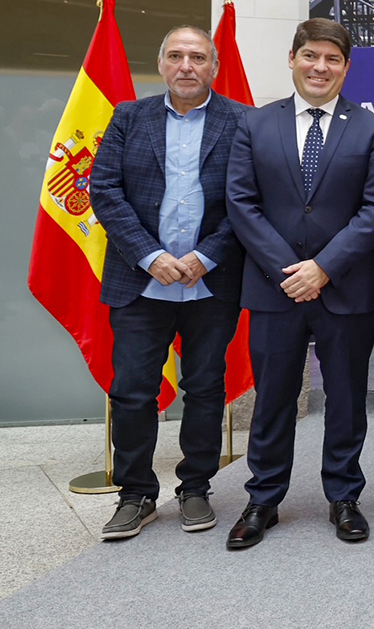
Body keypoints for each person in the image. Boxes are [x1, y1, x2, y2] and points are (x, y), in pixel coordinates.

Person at [223, 18, 374, 549]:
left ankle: (344, 497)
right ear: (293, 58)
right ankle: (263, 499)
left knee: (346, 398)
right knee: (273, 396)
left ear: (346, 67)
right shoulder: (255, 125)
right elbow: (241, 203)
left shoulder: (372, 129)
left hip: (344, 288)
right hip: (275, 289)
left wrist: (323, 267)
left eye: (333, 59)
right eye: (311, 56)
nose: (321, 67)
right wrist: (291, 271)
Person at [90, 26, 247, 540]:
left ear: (213, 68)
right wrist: (150, 256)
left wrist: (205, 256)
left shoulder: (242, 122)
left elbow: (247, 200)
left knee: (204, 388)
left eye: (197, 57)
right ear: (160, 64)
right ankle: (136, 495)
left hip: (210, 284)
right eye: (176, 56)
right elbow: (105, 192)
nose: (186, 66)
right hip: (141, 284)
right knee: (133, 391)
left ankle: (195, 486)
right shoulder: (127, 117)